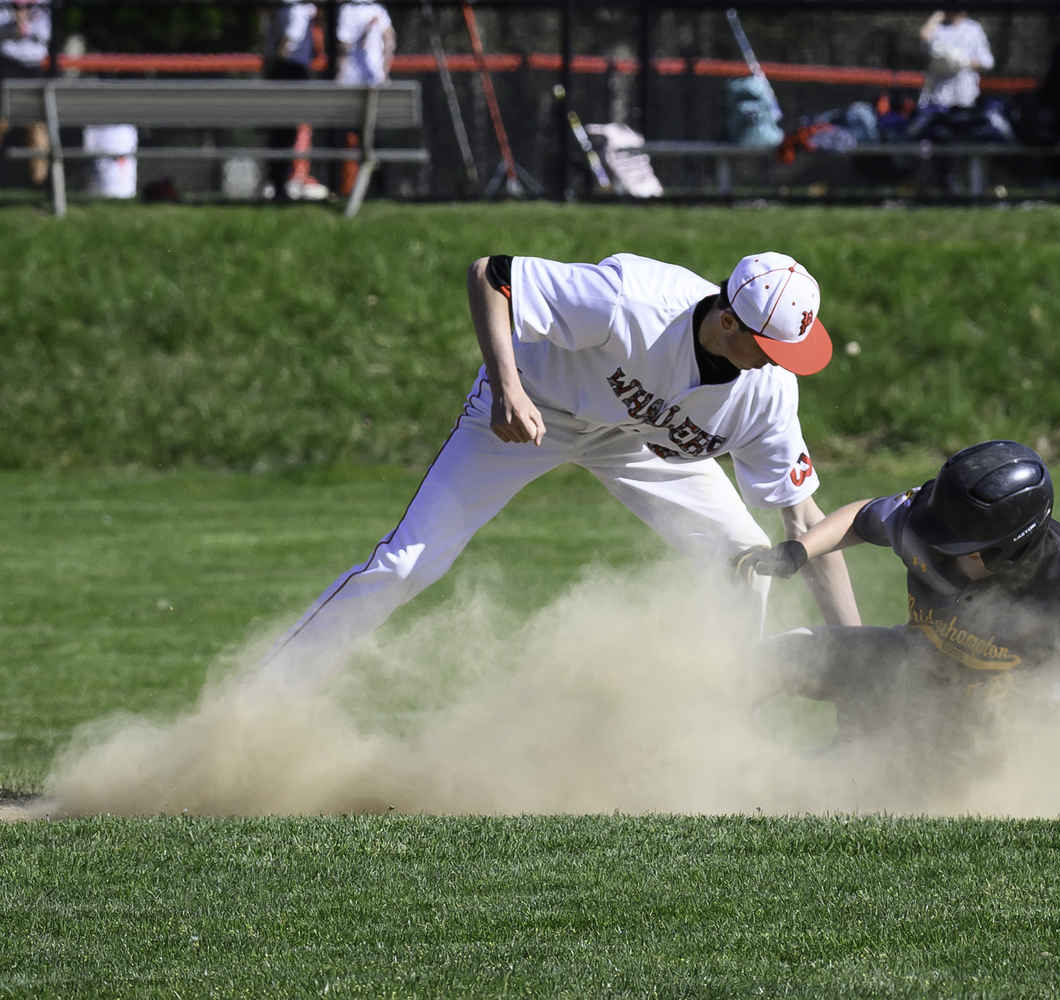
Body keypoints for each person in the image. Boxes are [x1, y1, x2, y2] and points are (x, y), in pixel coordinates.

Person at [259, 251, 861, 691]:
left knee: (743, 561)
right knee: (408, 562)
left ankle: (718, 736)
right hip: (532, 407)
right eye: (772, 347)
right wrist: (505, 386)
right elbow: (491, 277)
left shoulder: (769, 394)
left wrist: (857, 656)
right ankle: (260, 706)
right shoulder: (633, 300)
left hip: (634, 439)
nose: (781, 365)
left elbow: (806, 520)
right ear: (728, 321)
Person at [731, 440, 1060, 817]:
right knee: (781, 655)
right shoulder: (931, 516)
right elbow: (863, 516)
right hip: (909, 664)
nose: (935, 546)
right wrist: (799, 552)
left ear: (1007, 552)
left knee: (828, 789)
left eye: (959, 546)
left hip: (988, 737)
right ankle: (689, 746)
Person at [263, 0, 328, 201]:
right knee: (286, 131)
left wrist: (270, 68)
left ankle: (279, 180)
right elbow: (288, 42)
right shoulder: (296, 10)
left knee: (283, 131)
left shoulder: (285, 10)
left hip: (284, 71)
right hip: (292, 72)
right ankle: (280, 181)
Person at [334, 0, 395, 196]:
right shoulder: (378, 10)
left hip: (351, 83)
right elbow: (390, 37)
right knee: (373, 137)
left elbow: (343, 45)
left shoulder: (347, 10)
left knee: (342, 136)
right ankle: (381, 188)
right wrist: (385, 70)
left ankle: (338, 187)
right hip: (374, 83)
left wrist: (338, 74)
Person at [0, 0, 51, 186]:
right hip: (6, 65)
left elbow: (46, 33)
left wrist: (26, 23)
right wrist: (14, 26)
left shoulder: (45, 4)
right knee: (2, 123)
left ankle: (39, 185)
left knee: (37, 125)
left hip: (34, 68)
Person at [917, 10, 994, 110]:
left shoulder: (973, 29)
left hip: (964, 97)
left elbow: (987, 62)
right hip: (938, 97)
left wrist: (965, 62)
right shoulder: (938, 27)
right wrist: (935, 17)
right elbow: (924, 36)